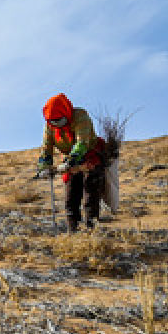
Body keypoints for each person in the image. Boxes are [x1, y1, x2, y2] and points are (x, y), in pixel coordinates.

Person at [37, 93, 106, 232]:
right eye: (53, 121)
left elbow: (82, 142)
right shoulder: (50, 126)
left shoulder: (80, 117)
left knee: (90, 197)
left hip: (90, 157)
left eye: (59, 120)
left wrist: (72, 160)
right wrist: (44, 166)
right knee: (71, 199)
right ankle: (73, 231)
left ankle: (92, 231)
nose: (56, 124)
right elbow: (46, 148)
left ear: (66, 112)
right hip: (69, 162)